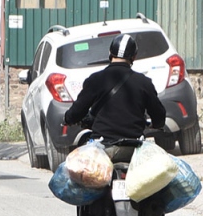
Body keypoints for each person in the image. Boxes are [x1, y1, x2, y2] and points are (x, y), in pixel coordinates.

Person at [63, 33, 166, 161]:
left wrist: (68, 118)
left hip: (103, 149)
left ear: (110, 53)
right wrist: (157, 124)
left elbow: (77, 111)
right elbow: (159, 115)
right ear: (134, 57)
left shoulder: (95, 80)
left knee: (80, 175)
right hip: (134, 150)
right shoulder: (144, 82)